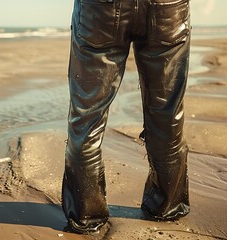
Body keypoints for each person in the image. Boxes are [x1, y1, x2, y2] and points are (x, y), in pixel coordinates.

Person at [62, 0, 191, 233]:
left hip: (99, 9)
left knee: (86, 120)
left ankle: (86, 215)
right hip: (167, 7)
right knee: (166, 115)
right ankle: (167, 206)